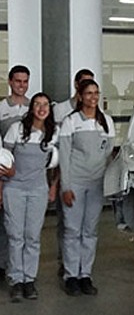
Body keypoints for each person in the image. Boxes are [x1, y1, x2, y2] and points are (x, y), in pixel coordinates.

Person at [59, 80, 115, 296]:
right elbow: (64, 156)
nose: (93, 97)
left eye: (96, 93)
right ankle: (71, 275)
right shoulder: (71, 122)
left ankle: (85, 275)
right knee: (72, 230)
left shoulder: (106, 122)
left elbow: (108, 151)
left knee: (90, 231)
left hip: (96, 185)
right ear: (80, 96)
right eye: (89, 93)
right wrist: (66, 186)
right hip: (75, 183)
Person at [2, 93, 57, 302]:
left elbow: (55, 163)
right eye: (37, 104)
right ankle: (16, 280)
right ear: (31, 107)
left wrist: (53, 187)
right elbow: (4, 158)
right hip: (14, 189)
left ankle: (29, 280)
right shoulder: (16, 129)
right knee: (16, 236)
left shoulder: (53, 133)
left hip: (38, 190)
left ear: (49, 109)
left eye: (45, 105)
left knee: (32, 237)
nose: (41, 109)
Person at [52, 69, 95, 277]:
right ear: (77, 86)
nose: (90, 93)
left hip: (89, 179)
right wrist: (58, 181)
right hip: (65, 172)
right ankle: (67, 263)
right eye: (85, 86)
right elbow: (56, 145)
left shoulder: (100, 119)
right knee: (67, 224)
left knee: (86, 228)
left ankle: (82, 270)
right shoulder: (61, 111)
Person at [0, 65, 30, 281]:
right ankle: (4, 266)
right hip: (5, 174)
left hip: (29, 174)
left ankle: (24, 271)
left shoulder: (35, 107)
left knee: (25, 229)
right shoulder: (1, 108)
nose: (22, 85)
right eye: (18, 81)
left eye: (25, 81)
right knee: (6, 225)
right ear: (10, 82)